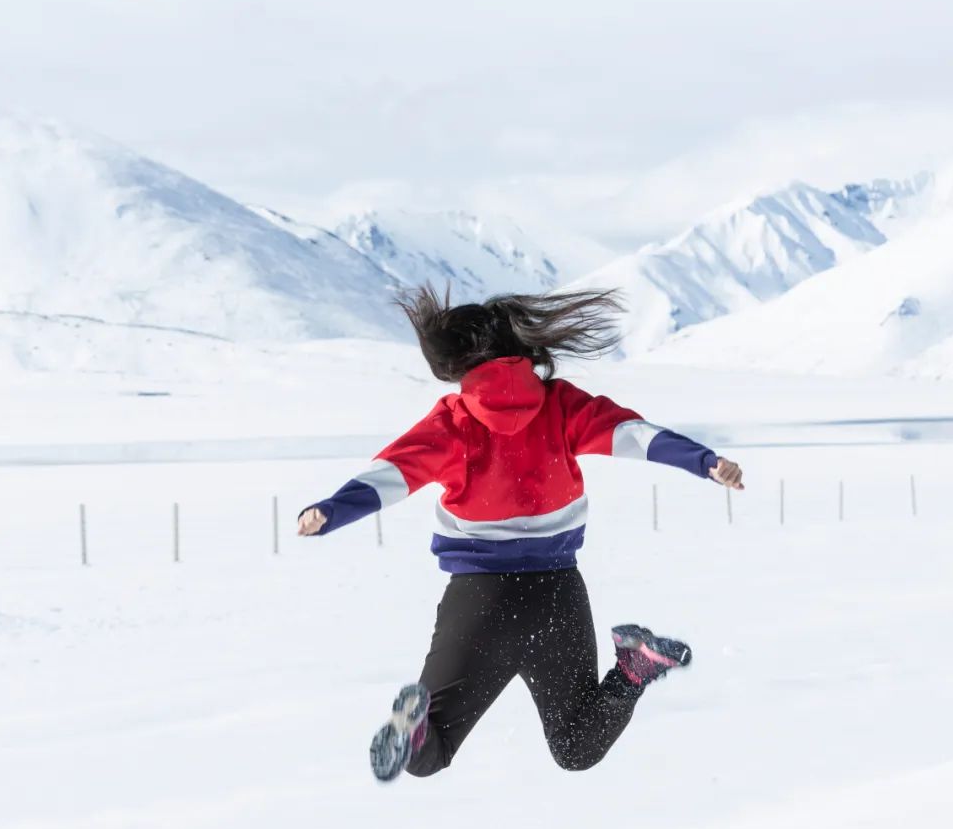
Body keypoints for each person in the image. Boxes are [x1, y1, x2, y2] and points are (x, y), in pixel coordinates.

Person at [298, 287, 744, 782]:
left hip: (479, 600)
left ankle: (417, 731)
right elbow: (633, 434)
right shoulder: (561, 406)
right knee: (576, 746)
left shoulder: (453, 421)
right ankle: (635, 668)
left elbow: (394, 472)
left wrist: (331, 511)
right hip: (557, 595)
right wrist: (705, 462)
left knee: (433, 752)